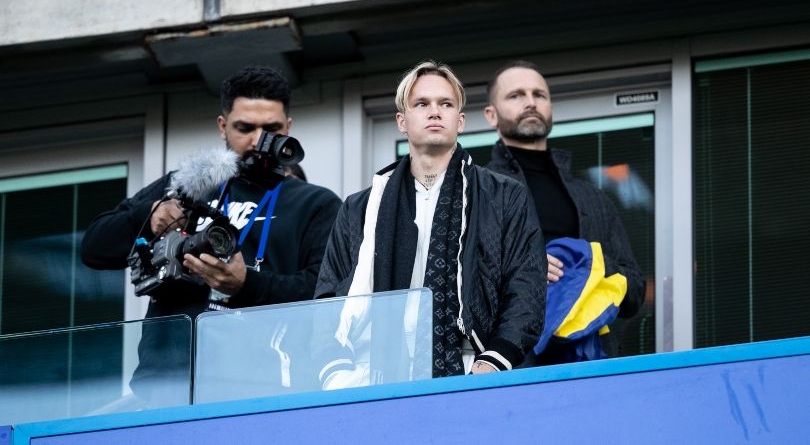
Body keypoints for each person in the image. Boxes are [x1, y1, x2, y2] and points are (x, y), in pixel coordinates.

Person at [81, 66, 342, 404]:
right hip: (166, 385)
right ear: (222, 127)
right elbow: (94, 247)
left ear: (289, 128)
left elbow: (326, 295)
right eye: (245, 128)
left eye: (272, 129)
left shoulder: (316, 203)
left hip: (264, 391)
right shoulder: (190, 183)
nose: (258, 141)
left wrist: (246, 285)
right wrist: (149, 218)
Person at [315, 60, 546, 381]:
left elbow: (527, 286)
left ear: (460, 121)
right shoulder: (360, 207)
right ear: (402, 121)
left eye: (445, 104)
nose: (434, 112)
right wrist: (335, 371)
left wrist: (494, 361)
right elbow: (327, 297)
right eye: (421, 104)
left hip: (474, 369)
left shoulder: (504, 195)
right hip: (371, 375)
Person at [483, 60, 645, 362]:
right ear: (491, 115)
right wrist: (525, 268)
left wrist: (587, 265)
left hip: (590, 364)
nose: (530, 102)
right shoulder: (477, 191)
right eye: (516, 95)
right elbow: (456, 286)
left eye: (539, 95)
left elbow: (635, 291)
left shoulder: (592, 197)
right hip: (510, 366)